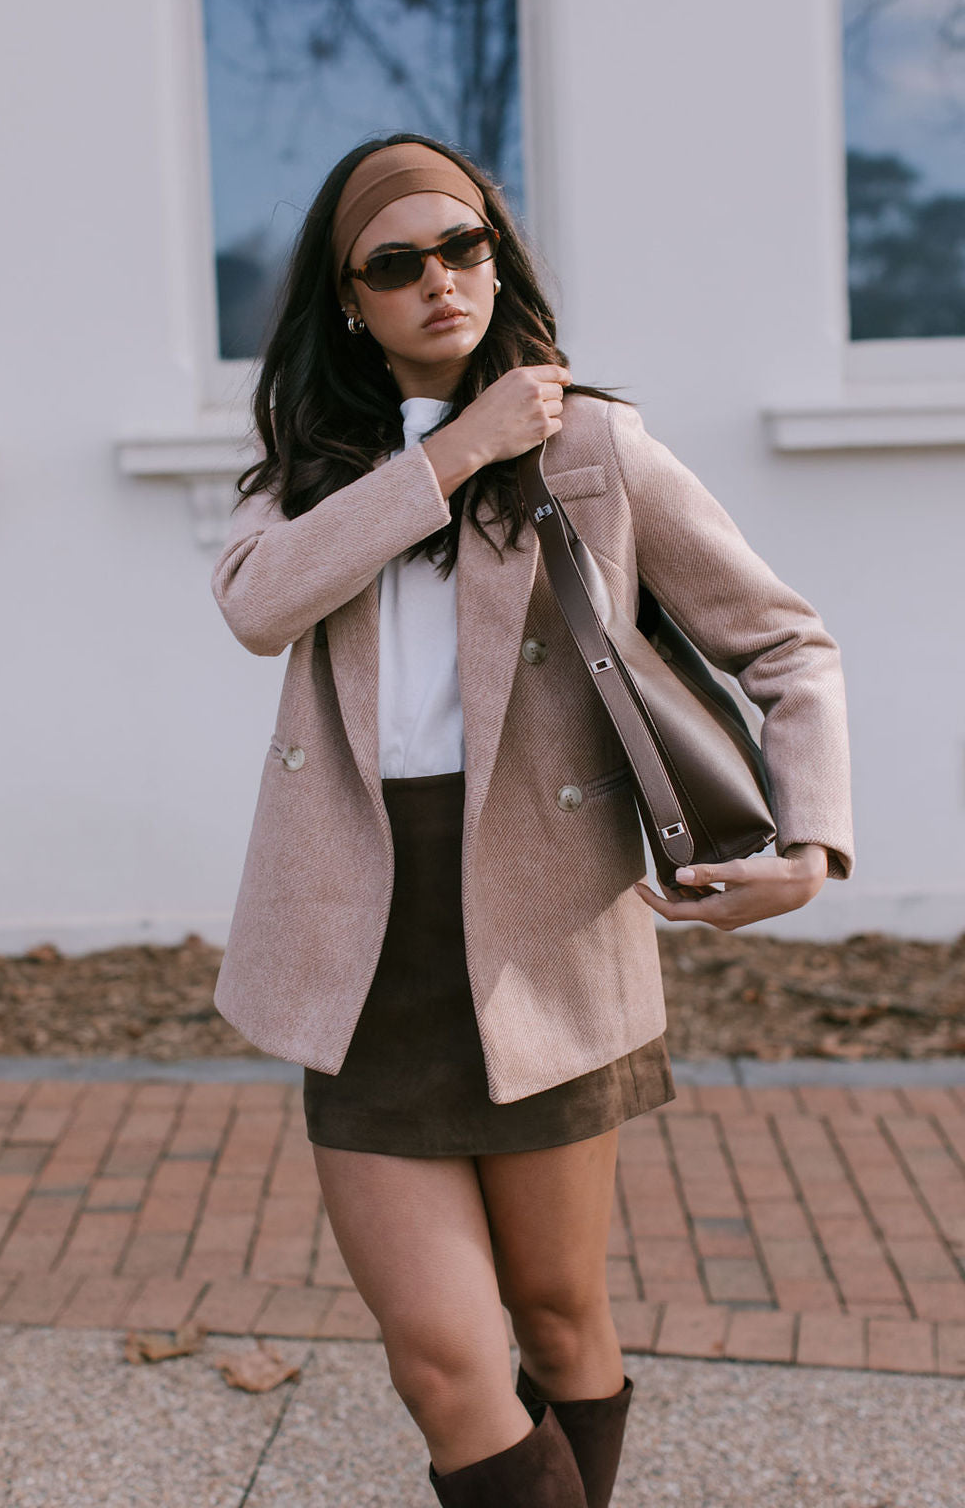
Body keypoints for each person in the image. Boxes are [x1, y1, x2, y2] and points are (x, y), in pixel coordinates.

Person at [210, 133, 854, 1507]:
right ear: (350, 299)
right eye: (398, 263)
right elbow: (259, 604)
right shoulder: (311, 469)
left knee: (558, 1321)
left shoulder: (596, 444)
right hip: (365, 940)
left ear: (497, 256)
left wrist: (808, 838)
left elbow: (787, 645)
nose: (442, 280)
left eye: (466, 246)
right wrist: (450, 456)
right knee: (445, 1362)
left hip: (547, 929)